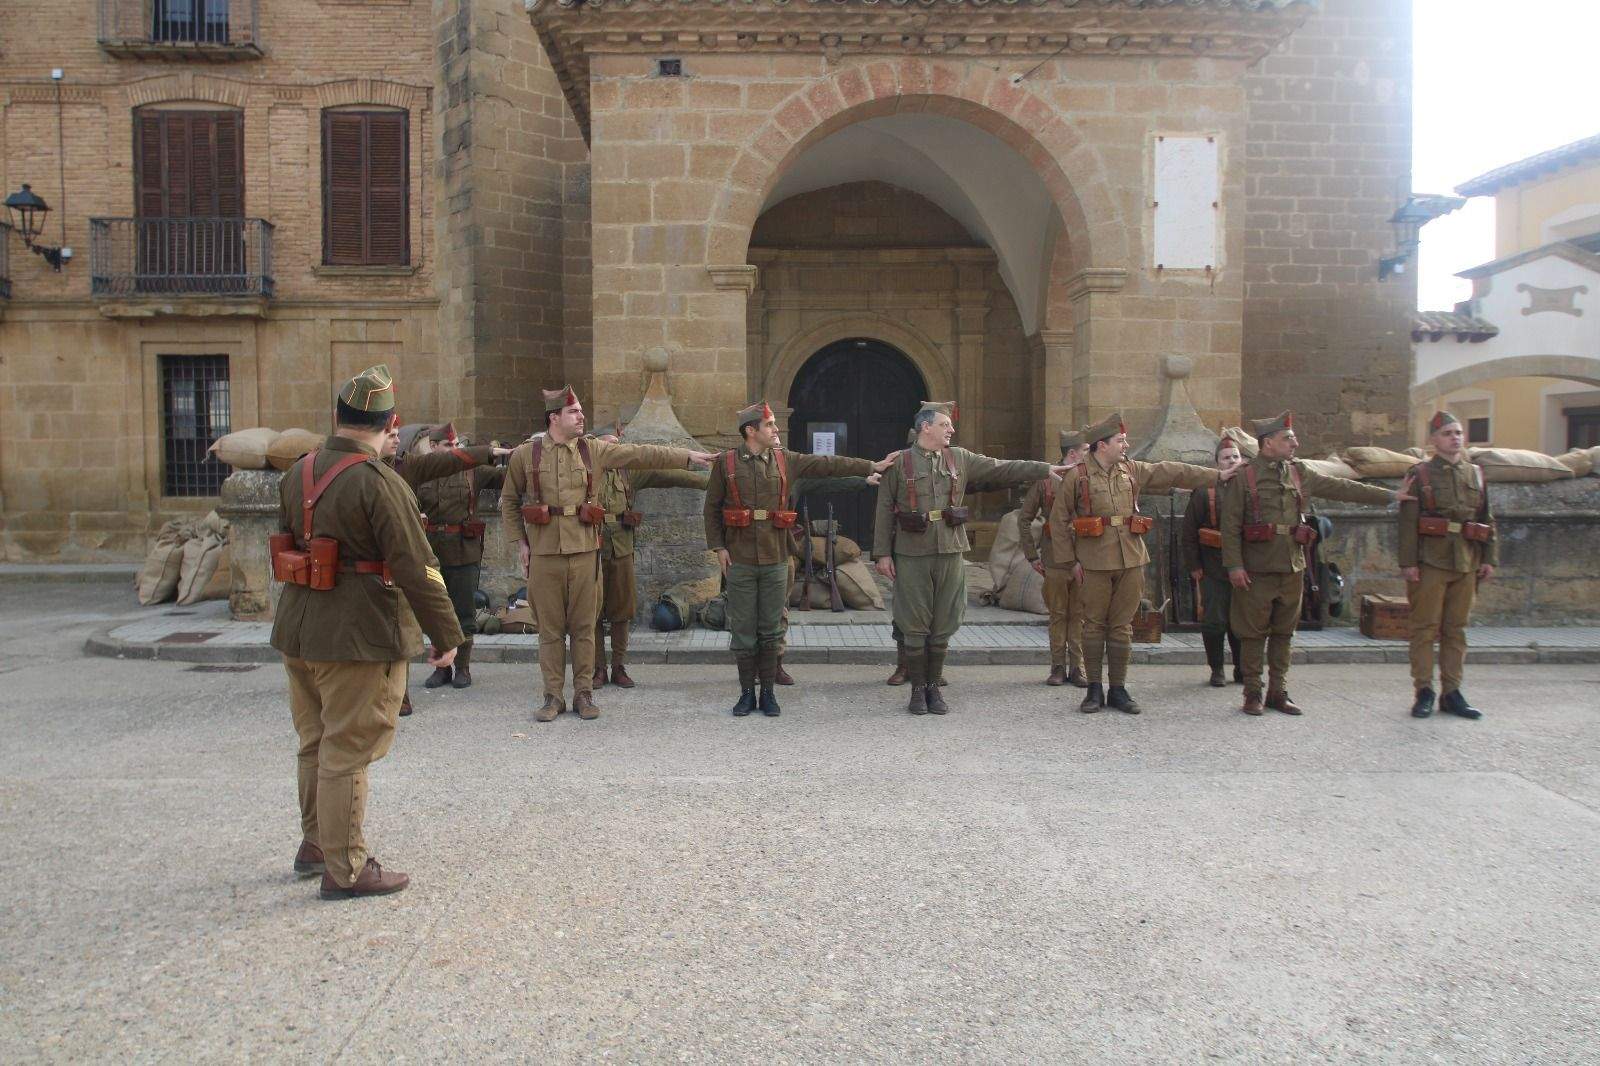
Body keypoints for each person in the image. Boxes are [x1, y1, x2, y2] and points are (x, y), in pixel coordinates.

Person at [270, 364, 463, 900]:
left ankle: (316, 845)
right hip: (355, 635)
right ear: (390, 423)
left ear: (338, 416)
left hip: (299, 628)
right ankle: (346, 868)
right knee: (348, 750)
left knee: (315, 742)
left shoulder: (298, 472)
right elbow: (417, 566)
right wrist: (446, 634)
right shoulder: (378, 481)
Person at [500, 386, 715, 722]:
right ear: (554, 418)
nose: (581, 416)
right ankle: (552, 696)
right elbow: (510, 501)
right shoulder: (526, 455)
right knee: (550, 630)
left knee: (585, 627)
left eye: (580, 411)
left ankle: (583, 693)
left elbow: (640, 454)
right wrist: (521, 543)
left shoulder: (594, 450)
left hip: (586, 552)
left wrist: (686, 457)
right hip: (544, 554)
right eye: (573, 412)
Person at [874, 401, 1068, 715]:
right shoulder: (899, 463)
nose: (951, 429)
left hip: (951, 549)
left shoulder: (960, 458)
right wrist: (882, 553)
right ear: (926, 427)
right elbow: (884, 509)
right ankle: (917, 690)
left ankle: (934, 687)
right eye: (945, 424)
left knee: (945, 619)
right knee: (913, 621)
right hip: (912, 552)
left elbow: (1001, 467)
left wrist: (1044, 469)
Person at [704, 401, 889, 717]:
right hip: (740, 558)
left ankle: (768, 694)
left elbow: (828, 464)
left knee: (772, 628)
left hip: (777, 555)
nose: (776, 429)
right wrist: (719, 547)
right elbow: (711, 508)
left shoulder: (785, 460)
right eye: (769, 425)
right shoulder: (727, 463)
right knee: (743, 629)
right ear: (751, 431)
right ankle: (747, 694)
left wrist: (870, 465)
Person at [1220, 411, 1406, 716]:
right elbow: (1229, 527)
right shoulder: (1245, 477)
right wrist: (1234, 566)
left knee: (1284, 632)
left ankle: (1278, 691)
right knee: (1252, 633)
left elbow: (1342, 488)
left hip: (1292, 566)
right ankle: (1252, 691)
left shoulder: (1299, 473)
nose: (1295, 443)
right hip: (1256, 568)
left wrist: (1391, 496)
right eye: (1287, 438)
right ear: (1268, 443)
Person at [1048, 413, 1231, 714]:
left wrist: (1217, 477)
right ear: (1102, 445)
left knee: (1122, 627)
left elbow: (1172, 472)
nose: (1126, 445)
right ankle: (1094, 689)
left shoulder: (1131, 469)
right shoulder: (1077, 476)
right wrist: (1070, 562)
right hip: (1093, 563)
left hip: (1131, 558)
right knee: (1093, 627)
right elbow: (1058, 522)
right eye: (1120, 441)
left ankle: (1118, 689)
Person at [590, 421, 709, 690]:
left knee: (621, 610)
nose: (614, 451)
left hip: (621, 548)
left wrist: (708, 482)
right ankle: (597, 668)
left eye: (617, 445)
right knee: (592, 610)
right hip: (590, 548)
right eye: (608, 446)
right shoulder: (586, 470)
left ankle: (618, 666)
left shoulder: (628, 471)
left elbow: (666, 476)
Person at [399, 423, 510, 691]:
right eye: (448, 445)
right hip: (430, 550)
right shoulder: (421, 471)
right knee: (436, 611)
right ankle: (441, 668)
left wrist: (521, 459)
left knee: (464, 611)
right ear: (433, 447)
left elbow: (505, 478)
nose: (454, 449)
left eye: (456, 444)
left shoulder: (471, 470)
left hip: (463, 549)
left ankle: (462, 667)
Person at [1401, 411, 1497, 720]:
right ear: (1433, 440)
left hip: (1467, 560)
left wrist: (1489, 557)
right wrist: (1408, 563)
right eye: (1447, 433)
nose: (1455, 438)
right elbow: (1407, 522)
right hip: (1431, 561)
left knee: (1456, 629)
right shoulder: (1421, 474)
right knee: (1424, 628)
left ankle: (1452, 692)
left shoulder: (1476, 474)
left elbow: (1486, 518)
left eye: (1458, 433)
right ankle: (1424, 690)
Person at [1017, 428, 1090, 687]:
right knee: (1058, 614)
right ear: (1072, 454)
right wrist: (1031, 555)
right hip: (1055, 558)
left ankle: (1077, 667)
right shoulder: (1045, 481)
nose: (1090, 454)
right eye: (1085, 450)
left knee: (1079, 614)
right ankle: (1058, 667)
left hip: (1084, 557)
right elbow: (1024, 519)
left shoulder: (1089, 479)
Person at [1181, 437, 1245, 687]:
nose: (1232, 461)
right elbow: (1189, 533)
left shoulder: (1250, 489)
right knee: (1215, 621)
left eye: (1236, 456)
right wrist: (1195, 566)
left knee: (1242, 621)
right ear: (1217, 463)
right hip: (1213, 566)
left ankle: (1242, 669)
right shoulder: (1204, 491)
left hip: (1244, 565)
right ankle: (1217, 669)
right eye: (1226, 457)